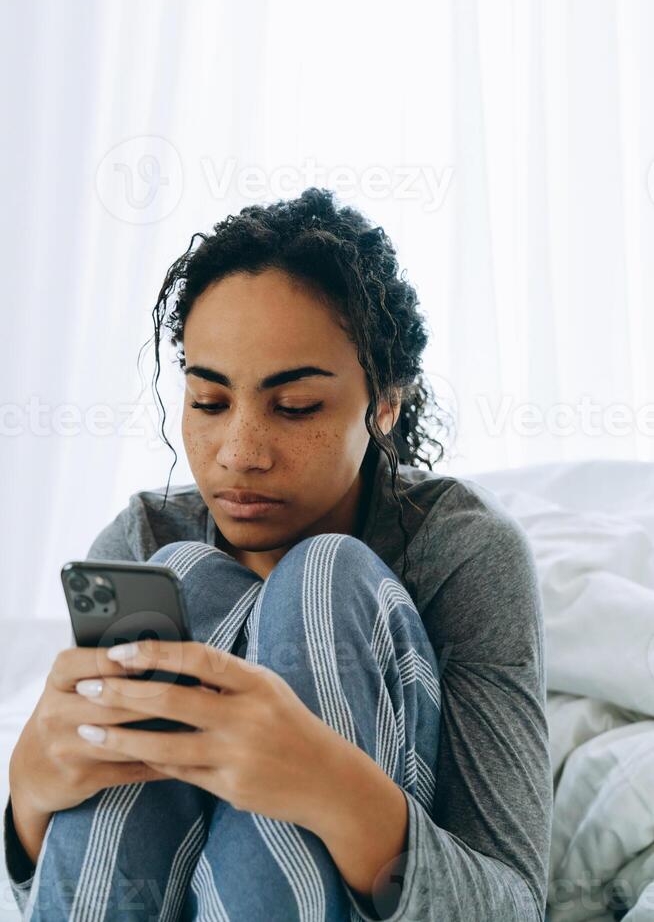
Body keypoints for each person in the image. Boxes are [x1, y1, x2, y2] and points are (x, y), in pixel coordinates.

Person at [4, 188, 553, 921]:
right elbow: (74, 859)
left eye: (295, 408)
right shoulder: (146, 541)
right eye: (208, 402)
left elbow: (515, 905)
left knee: (325, 573)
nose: (239, 454)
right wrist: (28, 799)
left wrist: (327, 785)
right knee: (184, 579)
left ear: (384, 404)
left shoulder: (462, 550)